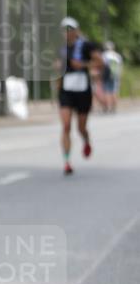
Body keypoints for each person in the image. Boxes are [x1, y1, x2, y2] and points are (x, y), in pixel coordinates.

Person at [56, 17, 103, 176]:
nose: (67, 33)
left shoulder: (86, 46)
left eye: (70, 29)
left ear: (76, 31)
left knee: (80, 127)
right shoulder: (60, 49)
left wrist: (83, 65)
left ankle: (86, 141)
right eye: (64, 29)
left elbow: (100, 63)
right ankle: (67, 162)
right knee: (66, 125)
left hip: (83, 90)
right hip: (66, 91)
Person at [102, 40, 123, 112]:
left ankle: (107, 107)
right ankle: (114, 107)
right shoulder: (117, 56)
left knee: (106, 91)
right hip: (115, 75)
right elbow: (120, 67)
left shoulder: (104, 55)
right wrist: (119, 76)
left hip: (106, 75)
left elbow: (101, 66)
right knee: (114, 91)